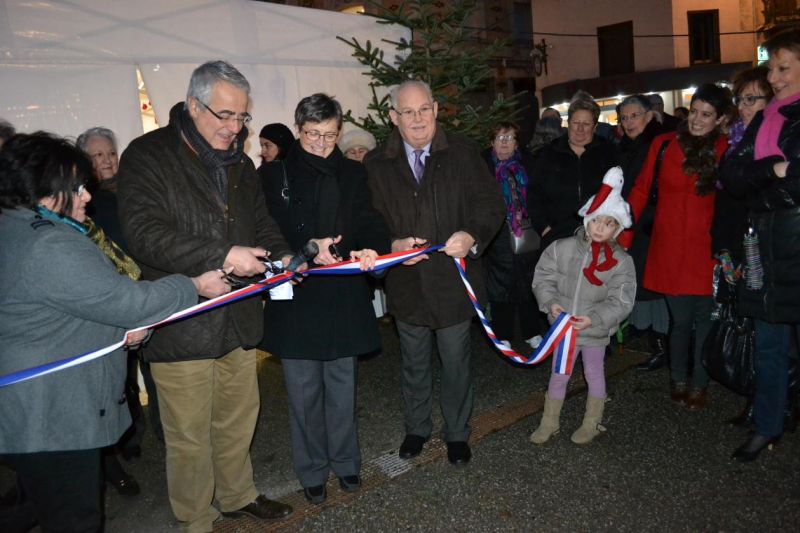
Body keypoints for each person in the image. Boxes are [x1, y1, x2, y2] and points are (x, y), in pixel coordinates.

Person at [0, 132, 230, 533]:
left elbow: (65, 310)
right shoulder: (50, 245)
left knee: (35, 504)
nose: (87, 195)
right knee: (76, 519)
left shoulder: (14, 228)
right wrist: (192, 285)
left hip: (32, 413)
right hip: (53, 417)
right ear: (42, 189)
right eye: (75, 187)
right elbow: (128, 302)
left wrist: (116, 331)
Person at [116, 60, 295, 531]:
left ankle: (238, 495)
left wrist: (284, 259)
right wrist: (222, 254)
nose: (236, 129)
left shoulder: (239, 163)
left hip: (237, 317)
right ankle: (196, 520)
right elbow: (144, 233)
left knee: (239, 419)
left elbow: (260, 222)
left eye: (243, 118)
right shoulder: (147, 155)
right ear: (194, 105)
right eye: (225, 116)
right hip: (182, 320)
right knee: (189, 436)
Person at [364, 80, 505, 466]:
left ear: (436, 109)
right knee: (412, 362)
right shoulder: (377, 164)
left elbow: (491, 204)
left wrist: (471, 234)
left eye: (424, 109)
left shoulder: (461, 153)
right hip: (407, 284)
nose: (417, 119)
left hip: (454, 284)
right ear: (393, 117)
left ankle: (457, 432)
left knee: (457, 363)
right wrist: (389, 245)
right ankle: (417, 428)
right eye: (407, 112)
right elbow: (368, 220)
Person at [259, 93, 390, 504]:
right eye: (312, 134)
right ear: (298, 130)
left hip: (342, 295)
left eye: (329, 135)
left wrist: (371, 248)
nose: (320, 143)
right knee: (303, 392)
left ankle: (347, 463)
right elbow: (266, 231)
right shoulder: (274, 174)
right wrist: (303, 249)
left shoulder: (352, 173)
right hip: (297, 297)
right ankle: (312, 469)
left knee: (341, 387)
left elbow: (368, 219)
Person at [622, 83, 732, 410]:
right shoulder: (664, 144)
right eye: (694, 111)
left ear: (721, 119)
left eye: (706, 115)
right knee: (680, 321)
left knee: (706, 321)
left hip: (706, 249)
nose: (696, 120)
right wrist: (623, 234)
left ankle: (700, 381)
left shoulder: (727, 149)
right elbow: (641, 191)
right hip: (668, 248)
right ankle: (678, 377)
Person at [719, 28, 800, 461]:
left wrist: (762, 182)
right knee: (769, 345)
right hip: (763, 250)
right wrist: (773, 168)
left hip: (794, 244)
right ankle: (767, 425)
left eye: (783, 68)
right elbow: (731, 176)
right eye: (772, 68)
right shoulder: (764, 120)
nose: (775, 77)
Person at [530, 167, 636, 445]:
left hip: (593, 330)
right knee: (559, 374)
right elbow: (543, 277)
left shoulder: (622, 261)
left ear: (618, 228)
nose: (601, 228)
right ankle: (550, 422)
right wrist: (550, 303)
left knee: (594, 374)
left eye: (609, 223)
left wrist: (596, 318)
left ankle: (592, 421)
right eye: (596, 221)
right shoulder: (561, 248)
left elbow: (622, 299)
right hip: (564, 329)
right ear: (587, 220)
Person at [77, 126, 145, 496]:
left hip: (140, 293)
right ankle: (112, 457)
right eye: (97, 156)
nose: (106, 162)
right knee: (109, 378)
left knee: (131, 376)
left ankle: (131, 435)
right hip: (103, 300)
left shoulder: (132, 192)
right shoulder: (80, 204)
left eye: (110, 154)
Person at [616, 95, 670, 370]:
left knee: (655, 286)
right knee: (639, 282)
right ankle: (649, 333)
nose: (628, 122)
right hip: (632, 225)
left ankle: (662, 344)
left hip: (652, 226)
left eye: (634, 116)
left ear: (649, 116)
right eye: (624, 118)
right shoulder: (627, 146)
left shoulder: (659, 144)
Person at [529, 96, 619, 250]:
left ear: (595, 126)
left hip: (599, 238)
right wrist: (544, 228)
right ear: (568, 123)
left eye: (586, 124)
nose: (580, 129)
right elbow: (534, 194)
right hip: (557, 238)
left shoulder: (609, 153)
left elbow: (620, 193)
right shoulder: (549, 153)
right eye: (576, 123)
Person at [481, 121, 543, 349]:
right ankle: (502, 333)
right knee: (500, 284)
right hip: (497, 234)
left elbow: (538, 195)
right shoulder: (483, 168)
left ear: (517, 143)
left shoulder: (530, 164)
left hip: (527, 229)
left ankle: (532, 331)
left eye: (509, 138)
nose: (504, 143)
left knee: (529, 280)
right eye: (499, 138)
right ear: (491, 143)